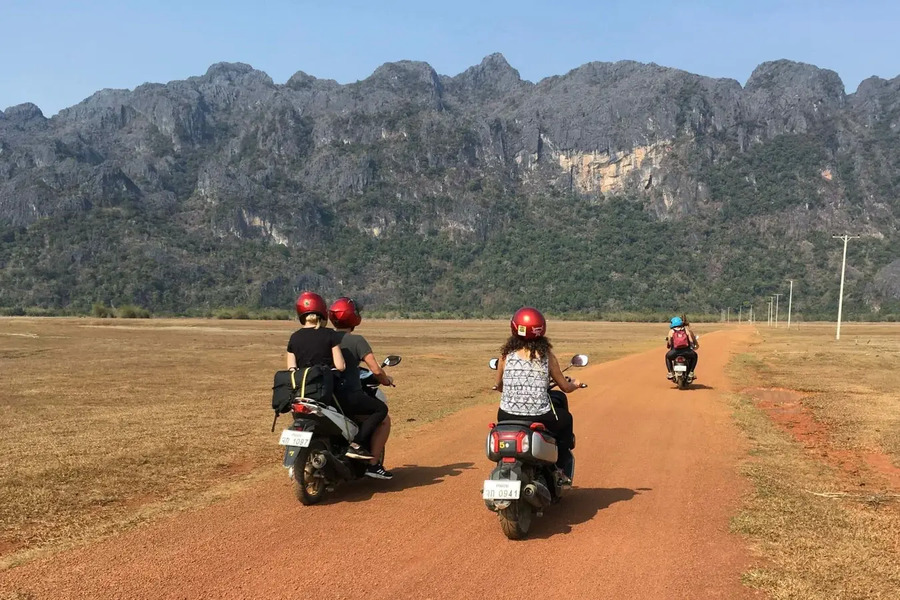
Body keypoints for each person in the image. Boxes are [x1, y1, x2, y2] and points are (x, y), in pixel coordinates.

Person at [494, 307, 582, 483]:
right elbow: (564, 387)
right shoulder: (547, 356)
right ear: (541, 330)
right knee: (566, 419)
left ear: (514, 328)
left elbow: (499, 385)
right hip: (539, 415)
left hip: (506, 414)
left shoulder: (505, 356)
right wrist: (576, 384)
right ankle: (561, 468)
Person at [328, 297, 392, 480]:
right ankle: (370, 461)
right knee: (382, 412)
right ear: (354, 317)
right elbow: (375, 369)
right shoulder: (357, 340)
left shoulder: (326, 337)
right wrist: (385, 380)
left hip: (328, 396)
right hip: (348, 395)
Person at [665, 316, 699, 380]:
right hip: (687, 352)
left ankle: (670, 373)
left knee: (667, 357)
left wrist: (669, 345)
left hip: (674, 352)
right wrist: (692, 346)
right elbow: (691, 340)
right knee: (695, 356)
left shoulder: (671, 331)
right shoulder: (685, 330)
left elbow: (669, 342)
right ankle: (691, 372)